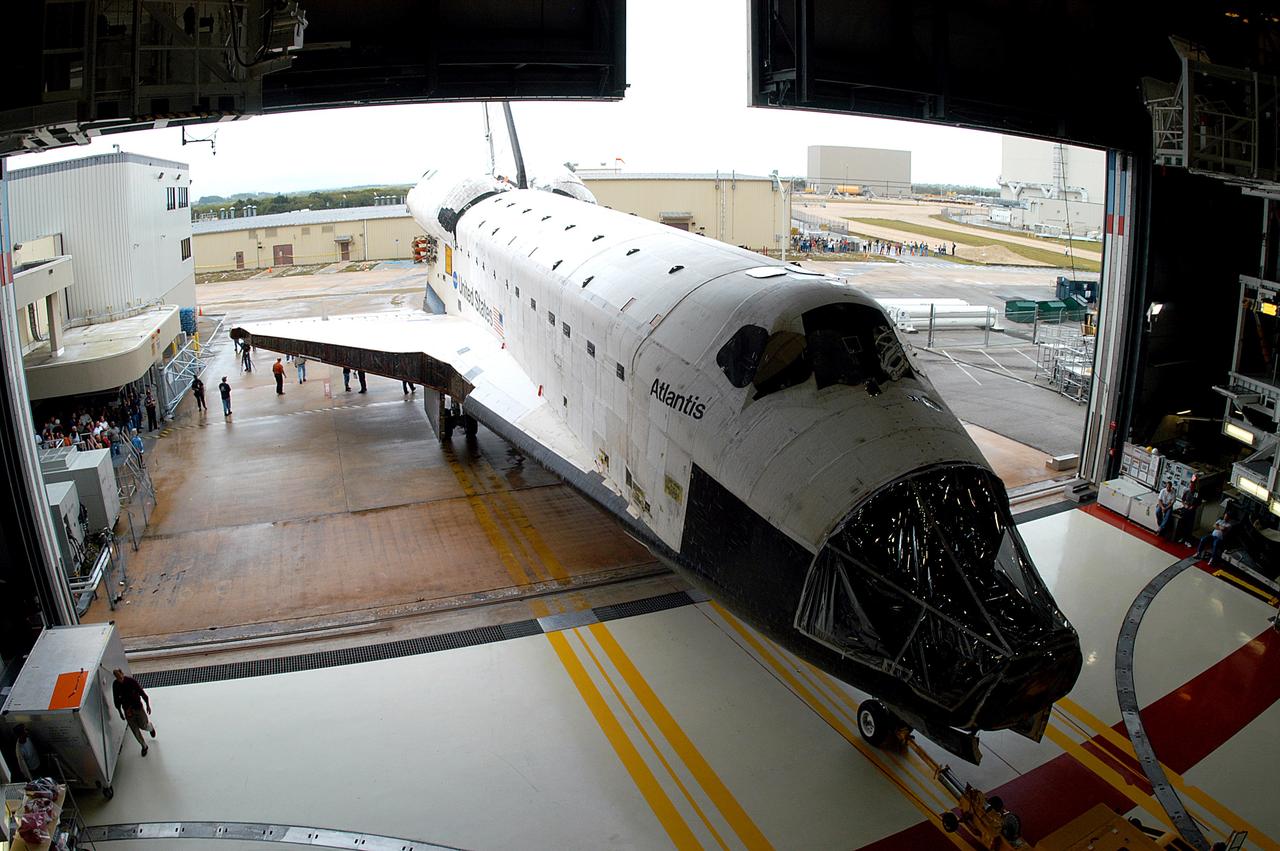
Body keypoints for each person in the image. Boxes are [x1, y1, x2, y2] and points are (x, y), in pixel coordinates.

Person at [111, 668, 156, 756]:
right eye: (118, 679)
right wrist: (120, 712)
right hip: (128, 711)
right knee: (135, 730)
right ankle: (144, 746)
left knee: (143, 725)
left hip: (138, 708)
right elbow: (116, 700)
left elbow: (142, 693)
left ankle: (150, 727)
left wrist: (147, 705)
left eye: (121, 678)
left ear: (122, 674)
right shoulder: (115, 685)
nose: (120, 680)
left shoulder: (131, 682)